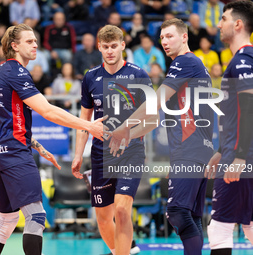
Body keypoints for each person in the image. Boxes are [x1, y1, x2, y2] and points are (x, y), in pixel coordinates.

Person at [0, 23, 104, 255]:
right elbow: (48, 111)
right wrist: (88, 125)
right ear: (14, 45)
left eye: (36, 41)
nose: (35, 45)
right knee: (37, 216)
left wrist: (36, 145)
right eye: (29, 41)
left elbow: (8, 119)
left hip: (1, 153)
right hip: (15, 154)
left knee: (7, 219)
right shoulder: (16, 71)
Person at [109, 18, 215, 255]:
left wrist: (124, 127)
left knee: (177, 212)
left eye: (170, 36)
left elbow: (155, 102)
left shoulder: (185, 62)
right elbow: (156, 119)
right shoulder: (193, 65)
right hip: (197, 150)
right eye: (162, 37)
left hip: (191, 149)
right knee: (191, 216)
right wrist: (129, 135)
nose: (164, 42)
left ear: (184, 37)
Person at [71, 24, 154, 255]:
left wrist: (130, 133)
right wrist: (78, 155)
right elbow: (84, 121)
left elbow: (152, 116)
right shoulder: (90, 77)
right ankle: (125, 250)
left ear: (123, 46)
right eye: (105, 47)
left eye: (114, 46)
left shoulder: (138, 74)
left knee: (122, 210)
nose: (110, 51)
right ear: (99, 47)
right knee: (104, 219)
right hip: (100, 154)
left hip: (131, 151)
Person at [204, 1, 253, 254]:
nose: (218, 24)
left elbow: (249, 108)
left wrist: (239, 156)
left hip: (241, 158)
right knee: (250, 226)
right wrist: (221, 151)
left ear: (238, 24)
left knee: (219, 228)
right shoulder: (241, 59)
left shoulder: (244, 59)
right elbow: (235, 116)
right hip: (235, 154)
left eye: (223, 18)